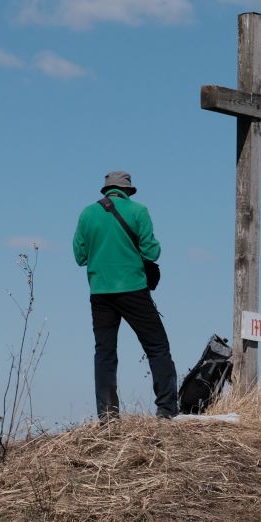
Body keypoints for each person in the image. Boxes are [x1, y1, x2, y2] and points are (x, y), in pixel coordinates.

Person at [73, 171, 178, 421]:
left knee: (105, 352)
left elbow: (80, 256)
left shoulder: (87, 213)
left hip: (100, 291)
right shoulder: (138, 211)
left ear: (106, 190)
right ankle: (166, 410)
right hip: (133, 288)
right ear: (128, 191)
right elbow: (152, 251)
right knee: (157, 347)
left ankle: (107, 415)